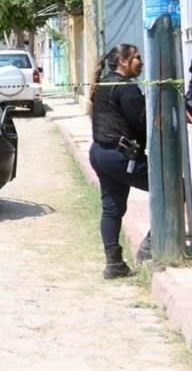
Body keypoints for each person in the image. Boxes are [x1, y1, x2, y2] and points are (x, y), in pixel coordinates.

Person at [88, 43, 150, 279]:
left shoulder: (103, 83)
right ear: (123, 61)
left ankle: (114, 264)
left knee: (112, 209)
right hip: (120, 157)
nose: (141, 62)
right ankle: (152, 245)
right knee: (173, 189)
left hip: (100, 153)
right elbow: (142, 123)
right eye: (137, 57)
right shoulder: (126, 88)